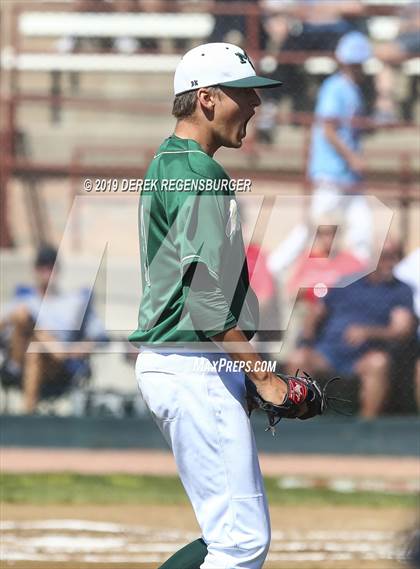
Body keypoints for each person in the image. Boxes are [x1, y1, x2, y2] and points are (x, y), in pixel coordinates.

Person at [129, 42, 309, 569]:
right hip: (193, 363)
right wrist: (262, 378)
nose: (254, 103)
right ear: (205, 98)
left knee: (223, 536)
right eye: (243, 93)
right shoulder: (200, 173)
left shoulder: (169, 159)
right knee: (240, 542)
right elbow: (206, 301)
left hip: (187, 364)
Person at [268, 31, 373, 279]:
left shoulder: (353, 91)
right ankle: (275, 267)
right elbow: (327, 128)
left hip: (347, 176)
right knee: (314, 227)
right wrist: (352, 158)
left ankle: (362, 278)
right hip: (331, 171)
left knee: (362, 227)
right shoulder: (334, 88)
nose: (359, 69)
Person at [287, 239, 416, 418]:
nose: (392, 261)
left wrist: (368, 332)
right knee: (299, 358)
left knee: (378, 363)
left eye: (397, 256)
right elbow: (316, 313)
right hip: (328, 352)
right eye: (386, 256)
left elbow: (402, 329)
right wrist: (306, 340)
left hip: (364, 357)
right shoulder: (346, 282)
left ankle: (365, 429)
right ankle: (296, 424)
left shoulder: (401, 291)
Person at [0, 245, 107, 414]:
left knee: (36, 349)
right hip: (21, 359)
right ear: (35, 270)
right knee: (22, 316)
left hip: (58, 365)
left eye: (51, 266)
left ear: (57, 269)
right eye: (42, 266)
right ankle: (51, 345)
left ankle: (28, 414)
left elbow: (99, 335)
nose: (46, 271)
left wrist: (83, 347)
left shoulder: (73, 302)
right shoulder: (24, 299)